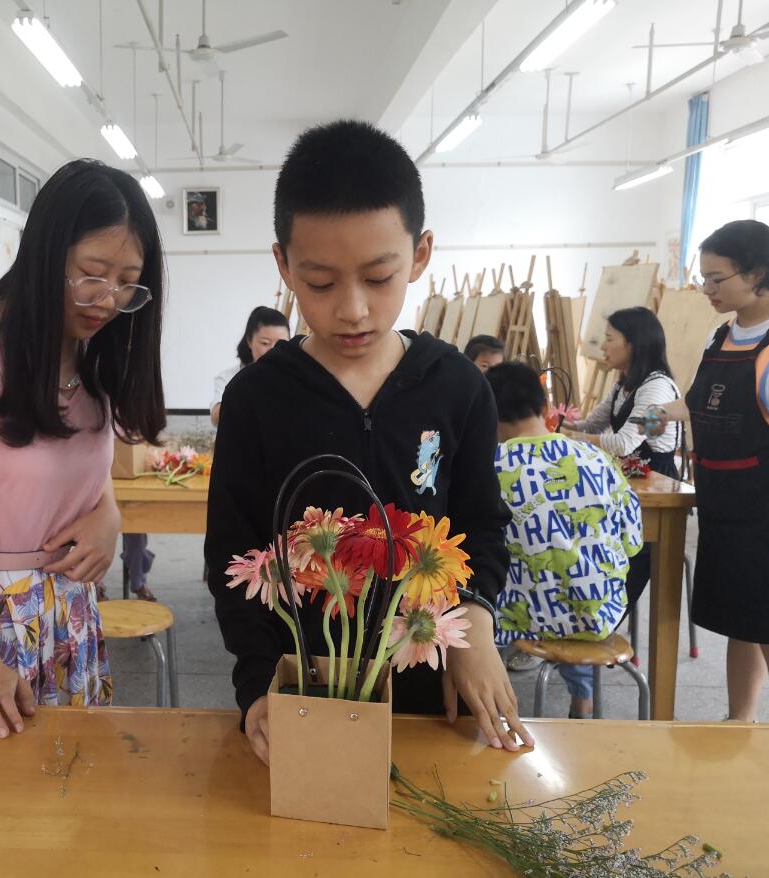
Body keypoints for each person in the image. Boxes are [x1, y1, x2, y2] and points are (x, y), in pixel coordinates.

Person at [205, 119, 534, 765]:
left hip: (433, 685)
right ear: (284, 265)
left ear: (420, 254)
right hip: (304, 688)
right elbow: (232, 554)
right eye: (320, 283)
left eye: (379, 278)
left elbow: (482, 525)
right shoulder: (257, 398)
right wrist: (259, 682)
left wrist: (475, 619)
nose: (352, 309)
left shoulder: (458, 388)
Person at [0, 159, 165, 738]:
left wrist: (108, 516)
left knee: (73, 782)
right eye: (92, 274)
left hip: (66, 618)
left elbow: (88, 475)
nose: (108, 299)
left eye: (128, 282)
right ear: (45, 255)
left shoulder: (92, 359)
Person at [645, 219, 769, 722]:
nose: (706, 289)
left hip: (768, 510)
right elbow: (702, 402)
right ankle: (739, 719)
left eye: (717, 279)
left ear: (758, 273)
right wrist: (661, 413)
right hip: (723, 502)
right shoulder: (721, 335)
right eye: (704, 278)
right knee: (742, 621)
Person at [486, 362, 643, 718]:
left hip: (520, 617)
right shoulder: (597, 459)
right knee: (577, 583)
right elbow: (632, 541)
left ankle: (491, 695)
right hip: (600, 613)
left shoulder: (490, 467)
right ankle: (582, 701)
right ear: (546, 407)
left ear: (488, 414)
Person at [565, 306, 680, 606]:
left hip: (657, 488)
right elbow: (591, 425)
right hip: (629, 485)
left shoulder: (657, 389)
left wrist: (570, 437)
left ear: (633, 343)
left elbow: (624, 443)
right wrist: (551, 423)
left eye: (609, 339)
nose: (602, 347)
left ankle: (606, 615)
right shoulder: (623, 384)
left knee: (628, 560)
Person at [210, 306, 291, 426]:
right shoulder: (229, 377)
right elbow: (216, 418)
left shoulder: (294, 376)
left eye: (281, 343)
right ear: (249, 340)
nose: (273, 350)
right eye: (265, 343)